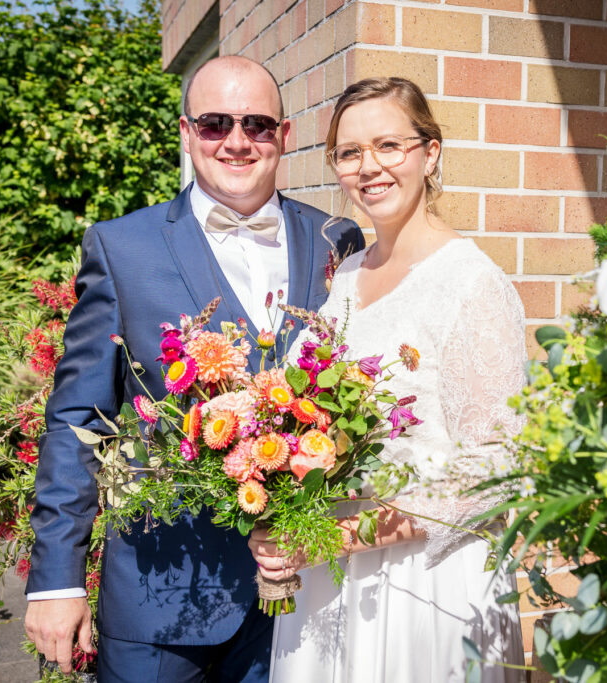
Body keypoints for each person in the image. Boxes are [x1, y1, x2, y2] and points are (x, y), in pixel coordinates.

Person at [24, 55, 363, 682]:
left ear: (285, 136)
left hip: (299, 605)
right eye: (215, 123)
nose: (237, 141)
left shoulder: (337, 243)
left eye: (258, 124)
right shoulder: (122, 247)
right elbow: (76, 420)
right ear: (187, 133)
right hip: (161, 604)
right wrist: (55, 582)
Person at [248, 77, 526, 682]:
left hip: (426, 582)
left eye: (388, 146)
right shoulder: (347, 274)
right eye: (349, 153)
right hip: (329, 577)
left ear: (430, 153)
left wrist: (334, 537)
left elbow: (494, 471)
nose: (367, 167)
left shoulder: (471, 282)